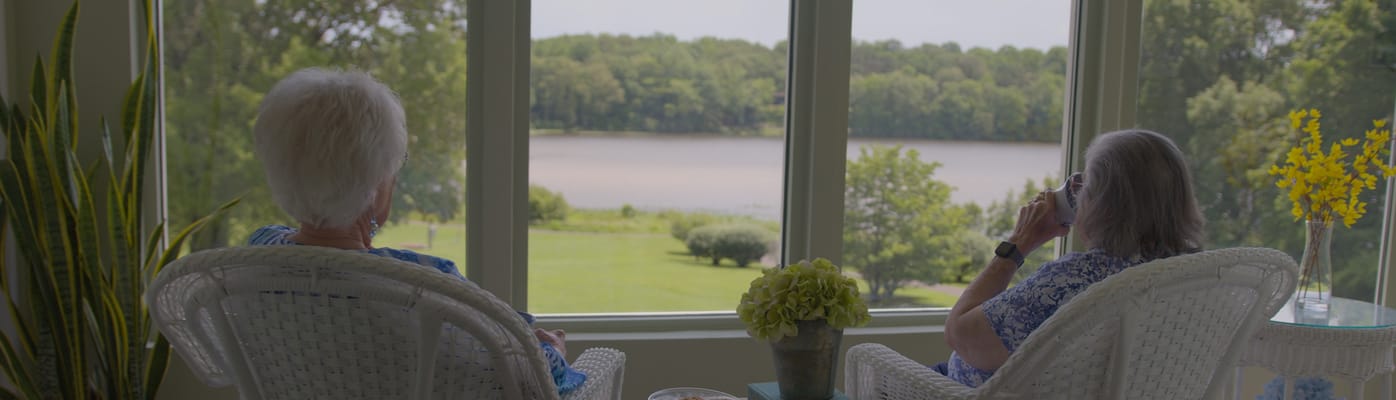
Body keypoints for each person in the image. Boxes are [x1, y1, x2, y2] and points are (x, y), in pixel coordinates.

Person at [246, 68, 586, 394]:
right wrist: (552, 353)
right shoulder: (427, 285)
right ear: (378, 183)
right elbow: (527, 375)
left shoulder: (251, 258)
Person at [938, 129, 1205, 387]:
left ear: (1102, 204)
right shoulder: (1195, 272)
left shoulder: (1074, 279)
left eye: (1085, 184)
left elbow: (961, 335)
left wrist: (1020, 242)